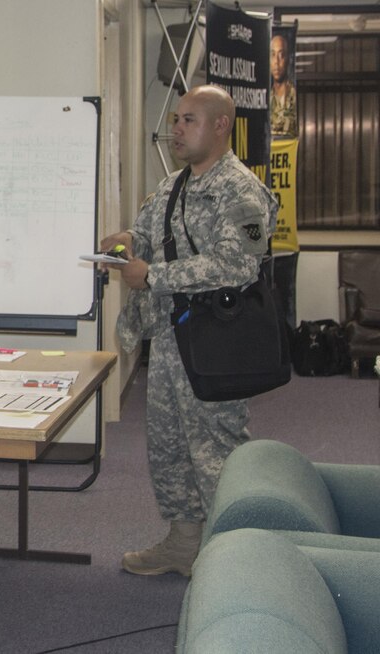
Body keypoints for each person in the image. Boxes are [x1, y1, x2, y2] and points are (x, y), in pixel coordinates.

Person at [100, 85, 278, 577]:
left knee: (217, 453)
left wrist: (153, 276)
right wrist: (126, 242)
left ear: (221, 125)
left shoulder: (242, 190)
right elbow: (151, 234)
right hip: (171, 342)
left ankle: (234, 559)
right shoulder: (173, 184)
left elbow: (241, 263)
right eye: (176, 120)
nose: (176, 129)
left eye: (188, 120)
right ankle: (183, 544)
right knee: (170, 448)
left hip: (215, 345)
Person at [270, 34, 297, 138]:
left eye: (281, 55)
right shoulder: (265, 98)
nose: (276, 62)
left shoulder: (293, 95)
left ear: (288, 59)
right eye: (273, 55)